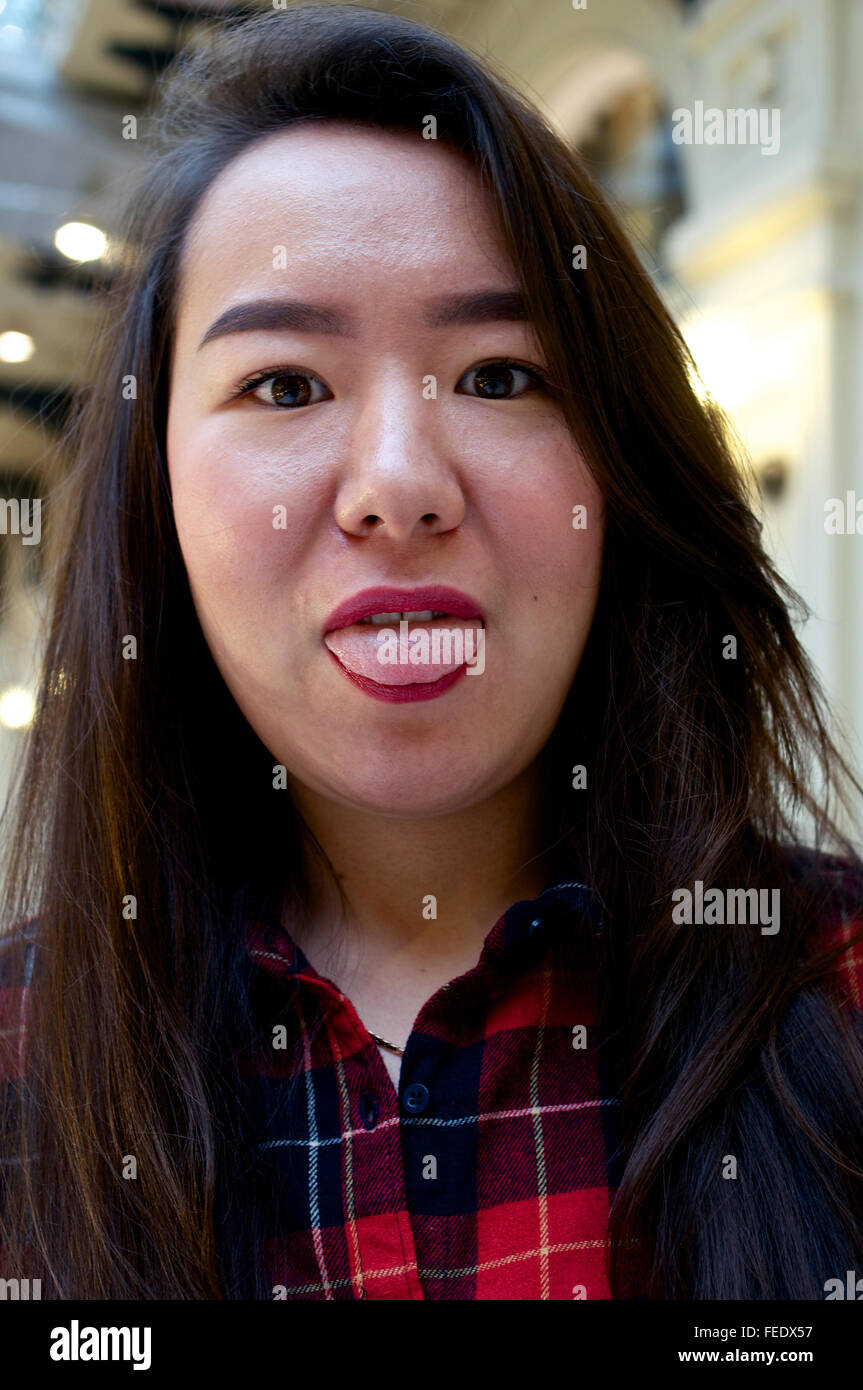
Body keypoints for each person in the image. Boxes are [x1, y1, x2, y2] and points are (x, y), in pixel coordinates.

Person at [1, 2, 861, 1301]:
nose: (400, 486)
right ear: (156, 495)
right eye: (286, 384)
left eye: (502, 375)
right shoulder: (22, 1055)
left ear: (621, 472)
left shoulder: (838, 982)